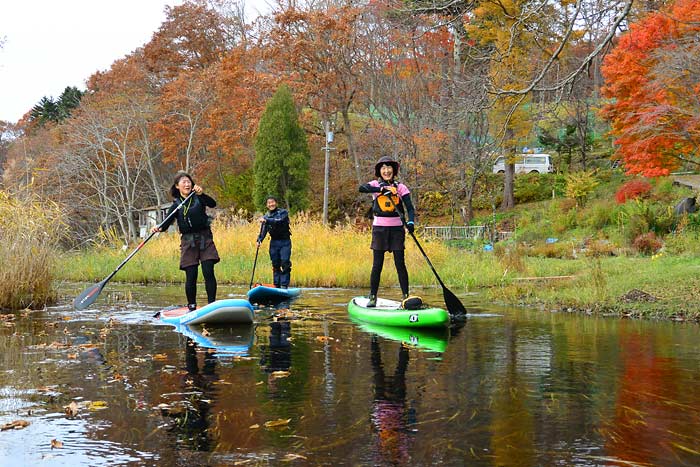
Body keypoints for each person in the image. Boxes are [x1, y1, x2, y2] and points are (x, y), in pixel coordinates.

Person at [152, 172, 219, 310]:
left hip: (205, 239)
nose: (187, 184)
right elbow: (165, 224)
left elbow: (213, 204)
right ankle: (192, 306)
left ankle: (212, 305)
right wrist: (157, 228)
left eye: (189, 182)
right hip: (188, 242)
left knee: (208, 271)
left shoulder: (199, 197)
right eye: (184, 182)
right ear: (177, 186)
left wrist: (202, 194)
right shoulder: (176, 205)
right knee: (191, 275)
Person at [359, 155, 415, 307]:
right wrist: (381, 189)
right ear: (379, 171)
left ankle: (406, 296)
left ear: (393, 170)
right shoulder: (375, 185)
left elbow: (410, 208)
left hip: (397, 229)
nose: (386, 170)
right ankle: (372, 296)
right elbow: (361, 188)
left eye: (389, 167)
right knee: (377, 264)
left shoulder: (401, 187)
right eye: (383, 168)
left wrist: (410, 222)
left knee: (400, 264)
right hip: (380, 230)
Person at [256, 196, 292, 289]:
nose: (271, 204)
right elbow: (263, 230)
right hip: (274, 242)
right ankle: (276, 284)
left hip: (285, 242)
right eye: (269, 203)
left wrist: (266, 220)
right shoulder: (266, 216)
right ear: (267, 205)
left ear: (276, 203)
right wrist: (259, 240)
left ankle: (284, 285)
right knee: (275, 263)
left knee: (285, 262)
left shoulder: (283, 213)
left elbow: (279, 221)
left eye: (272, 202)